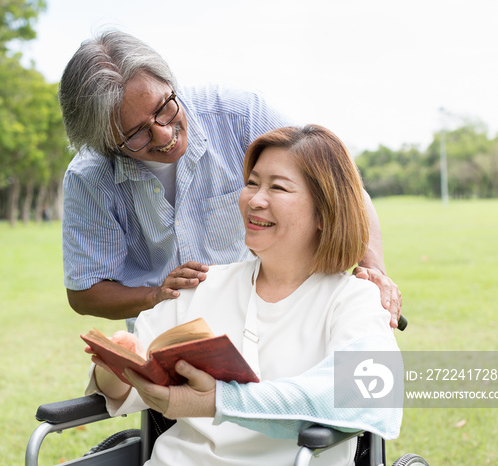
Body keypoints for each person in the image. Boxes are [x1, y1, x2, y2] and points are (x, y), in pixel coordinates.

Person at [85, 125, 403, 465]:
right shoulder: (201, 285)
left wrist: (218, 401)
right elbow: (126, 388)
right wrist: (116, 365)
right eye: (252, 183)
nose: (255, 200)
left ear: (324, 213)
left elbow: (368, 397)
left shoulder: (355, 300)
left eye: (277, 187)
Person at [59, 30, 401, 329]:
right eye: (136, 134)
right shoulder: (88, 178)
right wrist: (156, 294)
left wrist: (374, 272)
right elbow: (85, 292)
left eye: (165, 108)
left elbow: (342, 190)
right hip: (169, 339)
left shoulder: (240, 115)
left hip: (270, 322)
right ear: (105, 141)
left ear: (169, 84)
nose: (164, 135)